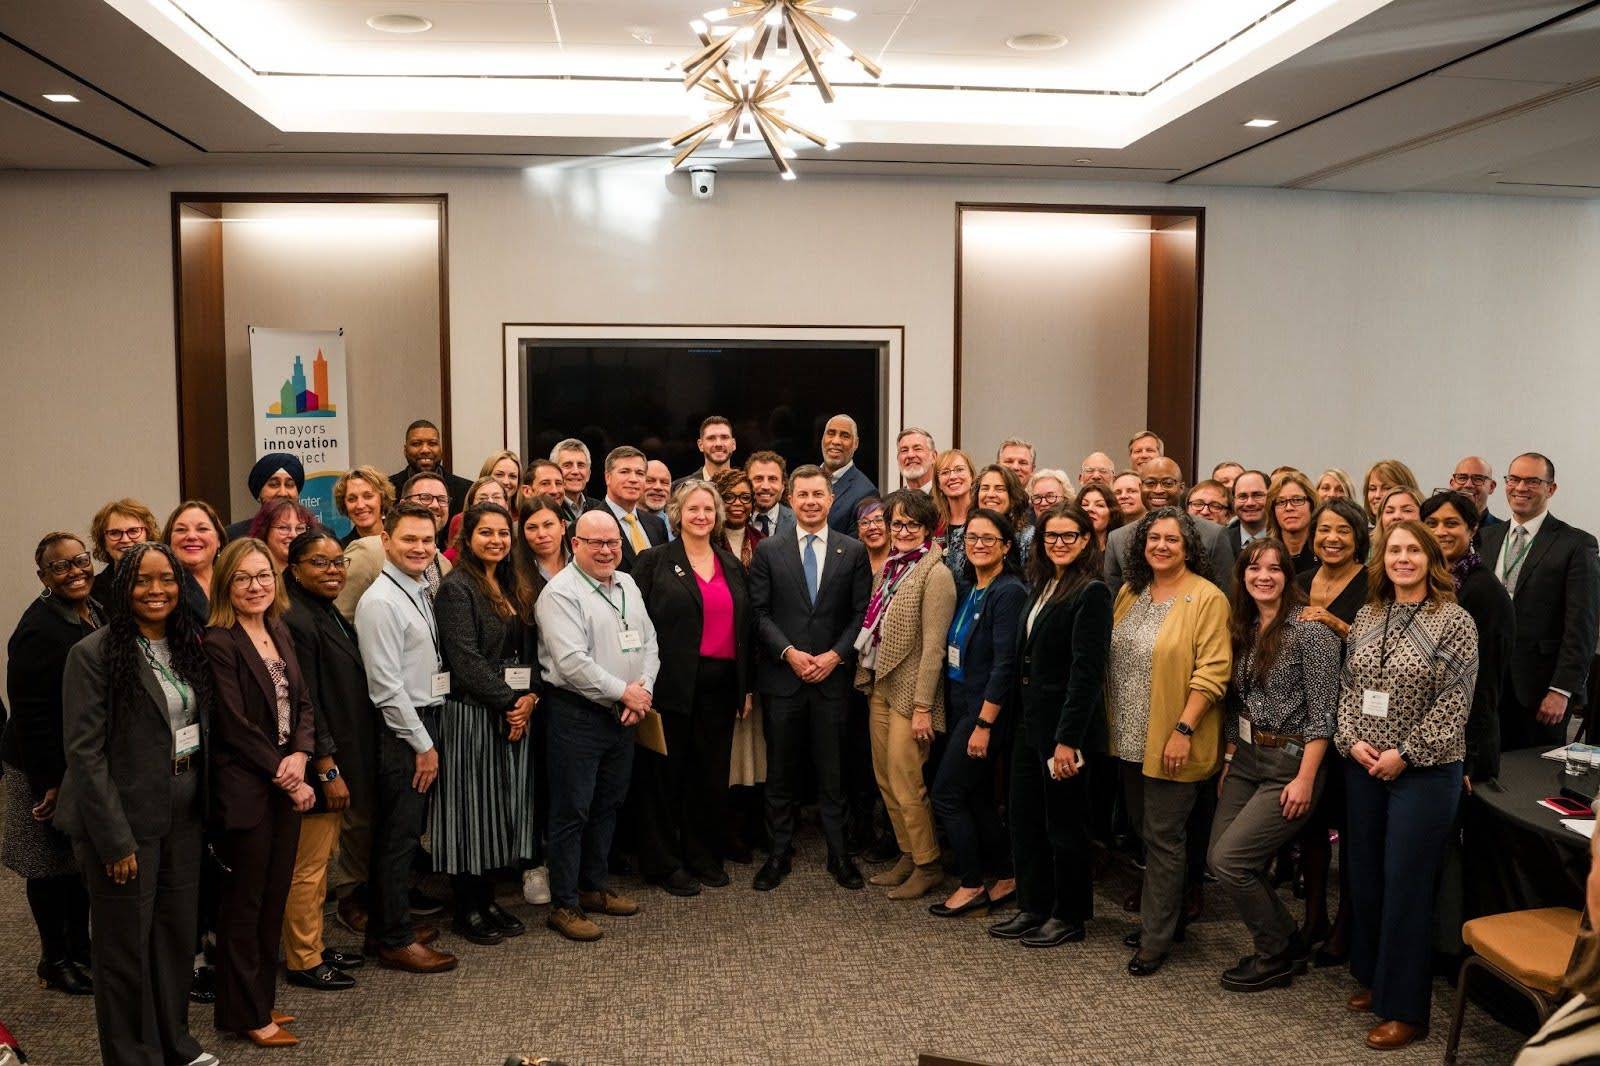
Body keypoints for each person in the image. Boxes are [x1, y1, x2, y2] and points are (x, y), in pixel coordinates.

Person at [56, 542, 217, 1066]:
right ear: (123, 587)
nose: (156, 590)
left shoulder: (187, 643)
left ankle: (174, 1043)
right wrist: (114, 839)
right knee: (124, 948)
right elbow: (85, 755)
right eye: (143, 580)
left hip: (182, 815)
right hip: (124, 823)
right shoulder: (93, 654)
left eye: (166, 579)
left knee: (173, 938)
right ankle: (131, 1055)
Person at [1336, 520, 1477, 1051]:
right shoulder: (1368, 614)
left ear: (1430, 559)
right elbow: (1349, 688)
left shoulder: (1455, 621)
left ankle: (1407, 1011)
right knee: (1366, 876)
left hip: (1424, 772)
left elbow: (1454, 703)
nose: (1402, 558)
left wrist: (1406, 755)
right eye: (1394, 549)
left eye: (1413, 550)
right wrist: (1351, 741)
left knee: (1407, 886)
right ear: (1382, 559)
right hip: (1364, 765)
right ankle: (1378, 979)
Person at [1207, 539, 1340, 991]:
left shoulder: (1310, 632)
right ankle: (1287, 937)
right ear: (1242, 575)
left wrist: (1306, 779)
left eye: (1274, 569)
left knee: (1232, 861)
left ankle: (1275, 953)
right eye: (1254, 568)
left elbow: (1324, 715)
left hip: (1291, 762)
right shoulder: (1242, 626)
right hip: (1246, 758)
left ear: (1288, 576)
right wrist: (1229, 757)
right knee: (1218, 856)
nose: (1263, 576)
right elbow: (1234, 704)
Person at [1108, 508, 1232, 977]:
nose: (1161, 546)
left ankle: (1154, 940)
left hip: (1173, 738)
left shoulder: (1207, 598)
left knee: (1163, 838)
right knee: (1146, 833)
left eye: (1172, 540)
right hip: (1129, 737)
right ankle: (1167, 918)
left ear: (1189, 548)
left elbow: (1214, 671)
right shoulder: (1131, 591)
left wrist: (1183, 730)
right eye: (1153, 538)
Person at [203, 538, 316, 1047]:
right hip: (247, 787)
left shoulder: (277, 628)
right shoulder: (218, 641)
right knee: (244, 905)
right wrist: (284, 771)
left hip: (284, 779)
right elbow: (233, 723)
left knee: (273, 898)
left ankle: (259, 1001)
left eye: (264, 575)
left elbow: (304, 703)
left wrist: (302, 755)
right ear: (226, 584)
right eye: (244, 578)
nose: (256, 586)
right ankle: (245, 1013)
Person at [989, 504, 1110, 946]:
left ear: (1085, 540)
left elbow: (1086, 674)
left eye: (1068, 535)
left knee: (1065, 825)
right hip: (1029, 724)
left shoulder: (1092, 592)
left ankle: (1069, 915)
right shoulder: (1042, 583)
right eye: (1050, 536)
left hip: (1063, 731)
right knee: (1025, 819)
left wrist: (1067, 741)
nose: (1058, 543)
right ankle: (1034, 906)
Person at [535, 511, 660, 941]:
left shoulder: (627, 584)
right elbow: (572, 663)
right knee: (572, 810)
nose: (606, 551)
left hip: (624, 713)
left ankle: (593, 886)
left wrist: (642, 691)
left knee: (609, 804)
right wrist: (623, 692)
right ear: (575, 545)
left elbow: (649, 642)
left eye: (613, 543)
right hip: (578, 715)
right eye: (596, 543)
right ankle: (564, 905)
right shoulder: (559, 593)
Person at [748, 464, 872, 891]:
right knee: (781, 774)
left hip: (833, 681)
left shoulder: (852, 551)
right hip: (783, 679)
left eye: (818, 494)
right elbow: (759, 613)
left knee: (833, 774)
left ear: (831, 500)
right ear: (790, 499)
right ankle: (778, 854)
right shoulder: (769, 550)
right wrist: (789, 653)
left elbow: (861, 614)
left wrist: (835, 656)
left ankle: (840, 855)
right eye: (802, 494)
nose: (811, 501)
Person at [354, 502, 460, 974]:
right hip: (404, 728)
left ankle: (385, 926)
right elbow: (385, 688)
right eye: (409, 539)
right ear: (386, 540)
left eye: (427, 540)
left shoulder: (416, 588)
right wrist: (423, 745)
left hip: (422, 719)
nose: (420, 548)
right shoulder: (380, 602)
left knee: (402, 832)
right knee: (398, 837)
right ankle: (395, 940)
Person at [633, 481, 751, 896]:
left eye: (708, 509)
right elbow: (635, 624)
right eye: (693, 509)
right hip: (670, 684)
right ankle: (665, 862)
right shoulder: (653, 562)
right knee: (666, 775)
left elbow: (745, 628)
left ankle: (702, 855)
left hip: (721, 686)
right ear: (677, 514)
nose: (701, 516)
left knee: (709, 774)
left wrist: (746, 687)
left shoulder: (730, 563)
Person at [433, 503, 539, 944]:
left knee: (499, 811)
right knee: (470, 814)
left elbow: (530, 649)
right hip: (472, 715)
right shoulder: (456, 588)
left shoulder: (513, 582)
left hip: (510, 710)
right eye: (486, 533)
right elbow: (465, 661)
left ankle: (488, 899)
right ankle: (467, 907)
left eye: (503, 533)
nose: (496, 540)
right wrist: (511, 703)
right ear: (467, 538)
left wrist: (529, 698)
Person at [4, 532, 102, 996]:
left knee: (76, 862)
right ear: (43, 577)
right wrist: (50, 781)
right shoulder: (38, 630)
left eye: (80, 560)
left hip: (75, 758)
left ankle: (81, 948)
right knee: (47, 864)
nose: (74, 571)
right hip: (38, 764)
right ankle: (54, 960)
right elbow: (30, 715)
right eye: (60, 567)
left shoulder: (93, 608)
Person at [281, 528, 373, 990]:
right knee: (309, 868)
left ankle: (313, 944)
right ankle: (303, 959)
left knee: (319, 866)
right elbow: (308, 703)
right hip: (320, 763)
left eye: (339, 562)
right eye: (320, 563)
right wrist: (328, 769)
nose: (333, 571)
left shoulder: (323, 609)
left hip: (340, 752)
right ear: (294, 569)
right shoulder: (296, 620)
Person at [855, 489, 957, 902]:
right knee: (884, 776)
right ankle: (908, 854)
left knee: (907, 779)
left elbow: (933, 649)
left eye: (913, 524)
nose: (903, 531)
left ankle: (928, 864)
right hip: (881, 683)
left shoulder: (936, 574)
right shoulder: (892, 567)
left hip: (911, 694)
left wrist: (922, 708)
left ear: (928, 528)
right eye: (897, 523)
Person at [930, 509, 1026, 919]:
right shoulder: (971, 586)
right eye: (972, 537)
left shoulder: (1009, 592)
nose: (979, 544)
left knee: (947, 794)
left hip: (983, 710)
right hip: (960, 700)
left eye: (989, 538)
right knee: (978, 795)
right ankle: (1006, 875)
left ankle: (971, 884)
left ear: (1006, 546)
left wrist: (984, 724)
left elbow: (1005, 665)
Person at [1479, 452, 1600, 749]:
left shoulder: (1576, 544)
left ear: (1551, 488)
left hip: (1538, 690)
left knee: (1528, 771)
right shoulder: (1485, 538)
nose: (1521, 487)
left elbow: (1582, 625)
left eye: (1532, 481)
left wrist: (1562, 689)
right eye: (1514, 479)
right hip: (1484, 683)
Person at [1294, 497, 1370, 964]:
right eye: (1324, 529)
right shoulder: (1302, 581)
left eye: (1342, 529)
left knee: (1352, 829)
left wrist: (1335, 622)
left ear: (1358, 536)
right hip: (1308, 718)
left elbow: (1382, 644)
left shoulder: (1373, 582)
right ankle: (1314, 917)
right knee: (1312, 824)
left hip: (1358, 721)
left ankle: (1345, 925)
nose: (1332, 538)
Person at [1421, 491, 1514, 786]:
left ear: (1472, 529)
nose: (1440, 531)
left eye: (1451, 523)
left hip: (1466, 749)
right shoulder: (1428, 582)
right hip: (1426, 740)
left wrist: (1469, 756)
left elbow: (1485, 683)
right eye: (1431, 523)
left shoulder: (1483, 591)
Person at [1105, 458, 1235, 596]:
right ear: (1141, 487)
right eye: (1150, 483)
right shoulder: (1117, 539)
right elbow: (1114, 601)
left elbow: (1226, 597)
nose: (1158, 490)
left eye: (1167, 483)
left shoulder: (1213, 535)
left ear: (1181, 488)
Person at [338, 472, 454, 620]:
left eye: (442, 499)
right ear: (403, 504)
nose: (435, 505)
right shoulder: (365, 552)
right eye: (425, 497)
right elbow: (342, 618)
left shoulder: (444, 564)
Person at [583, 446, 667, 572]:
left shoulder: (657, 524)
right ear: (608, 477)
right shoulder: (587, 524)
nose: (633, 479)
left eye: (639, 473)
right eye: (624, 472)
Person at [390, 419, 471, 517]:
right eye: (416, 444)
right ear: (405, 450)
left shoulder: (466, 491)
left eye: (432, 443)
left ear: (441, 449)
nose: (425, 450)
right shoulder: (388, 490)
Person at [89, 498, 160, 604]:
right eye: (114, 533)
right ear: (103, 542)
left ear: (148, 535)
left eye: (133, 531)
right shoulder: (92, 591)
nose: (125, 540)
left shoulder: (170, 581)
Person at [163, 500, 224, 625]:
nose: (191, 536)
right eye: (181, 530)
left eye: (202, 529)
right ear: (169, 540)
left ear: (219, 540)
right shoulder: (163, 588)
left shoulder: (233, 581)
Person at [225, 452, 304, 542]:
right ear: (259, 493)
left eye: (289, 485)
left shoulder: (313, 533)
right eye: (274, 485)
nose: (283, 493)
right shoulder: (233, 536)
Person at [821, 414, 877, 534]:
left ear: (856, 444)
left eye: (845, 436)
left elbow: (857, 544)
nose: (836, 441)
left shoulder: (866, 493)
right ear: (823, 439)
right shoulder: (805, 481)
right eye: (831, 433)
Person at [931, 448, 977, 582]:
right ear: (938, 484)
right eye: (945, 472)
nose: (952, 477)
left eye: (959, 469)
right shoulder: (933, 524)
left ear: (972, 476)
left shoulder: (984, 519)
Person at [442, 475, 510, 564]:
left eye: (496, 497)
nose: (490, 502)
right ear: (471, 506)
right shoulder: (450, 558)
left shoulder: (518, 548)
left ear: (506, 504)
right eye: (482, 498)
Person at [1265, 470, 1318, 573]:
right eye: (1281, 502)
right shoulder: (1264, 555)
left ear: (1311, 504)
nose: (1289, 508)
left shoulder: (1324, 554)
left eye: (1297, 500)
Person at [977, 464, 1031, 563]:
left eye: (999, 489)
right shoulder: (960, 536)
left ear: (1013, 497)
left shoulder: (1028, 538)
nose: (990, 494)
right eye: (985, 488)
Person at [334, 466, 395, 547]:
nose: (360, 505)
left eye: (368, 496)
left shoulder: (400, 537)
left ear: (382, 498)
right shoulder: (343, 550)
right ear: (344, 504)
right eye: (352, 499)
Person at [712, 468, 763, 567]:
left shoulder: (761, 541)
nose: (738, 503)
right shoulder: (707, 540)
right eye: (728, 497)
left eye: (745, 497)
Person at [248, 496, 314, 572]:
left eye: (300, 528)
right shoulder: (252, 571)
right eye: (283, 528)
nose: (293, 535)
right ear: (265, 531)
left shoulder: (314, 573)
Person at [673, 415, 738, 488]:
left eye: (724, 437)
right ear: (700, 445)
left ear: (733, 444)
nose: (718, 444)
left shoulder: (746, 485)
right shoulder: (680, 487)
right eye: (711, 438)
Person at [746, 450, 795, 539]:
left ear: (783, 486)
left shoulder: (798, 522)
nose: (766, 486)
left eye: (773, 479)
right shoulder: (733, 520)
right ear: (746, 483)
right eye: (758, 478)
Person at [1361, 459, 1420, 528]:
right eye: (1372, 489)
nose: (1377, 495)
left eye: (1387, 488)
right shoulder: (1362, 534)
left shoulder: (1425, 534)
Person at [551, 438, 600, 523]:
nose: (575, 471)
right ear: (553, 472)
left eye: (581, 465)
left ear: (588, 474)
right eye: (567, 465)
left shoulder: (599, 509)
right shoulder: (547, 508)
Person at [1225, 470, 1272, 551]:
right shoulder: (1222, 541)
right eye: (1242, 496)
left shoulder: (1286, 540)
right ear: (1233, 501)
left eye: (1257, 495)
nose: (1250, 503)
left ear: (1271, 497)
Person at [1449, 456, 1501, 527]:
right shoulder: (1434, 528)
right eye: (1462, 478)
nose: (1468, 485)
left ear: (1491, 487)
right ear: (1452, 484)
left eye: (1477, 479)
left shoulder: (1504, 531)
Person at [1074, 483, 1122, 552]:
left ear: (1112, 513)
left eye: (1099, 505)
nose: (1090, 509)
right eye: (1085, 504)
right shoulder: (1068, 550)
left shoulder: (1122, 550)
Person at [897, 427, 936, 492]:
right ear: (898, 458)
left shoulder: (948, 496)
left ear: (934, 457)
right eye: (904, 450)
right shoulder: (891, 498)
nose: (910, 455)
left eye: (917, 449)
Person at [642, 459, 674, 536]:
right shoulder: (617, 523)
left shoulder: (679, 527)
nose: (658, 487)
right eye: (650, 481)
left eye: (665, 482)